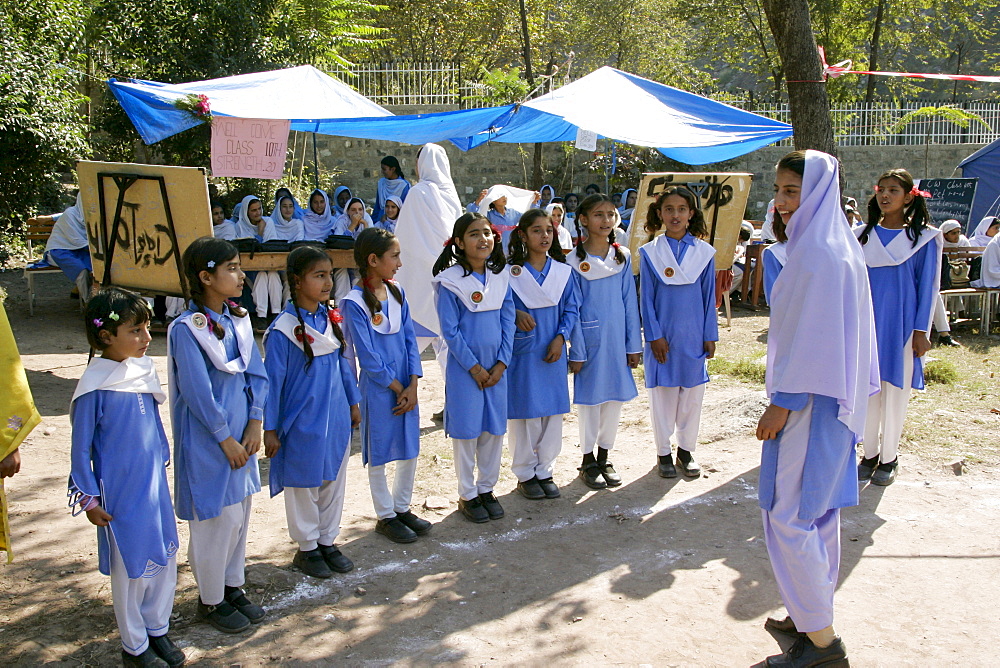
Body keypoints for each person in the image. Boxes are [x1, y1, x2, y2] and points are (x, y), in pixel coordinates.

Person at [756, 149, 878, 668]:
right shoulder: (834, 244)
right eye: (779, 190)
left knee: (789, 517)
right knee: (818, 513)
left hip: (808, 402)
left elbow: (815, 339)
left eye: (792, 191)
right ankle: (808, 611)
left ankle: (823, 643)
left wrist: (781, 405)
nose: (782, 202)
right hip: (831, 402)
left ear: (818, 193)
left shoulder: (819, 255)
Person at [69, 289, 185, 667]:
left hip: (152, 487)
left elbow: (153, 423)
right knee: (130, 570)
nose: (146, 338)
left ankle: (158, 629)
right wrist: (88, 498)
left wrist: (163, 459)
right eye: (135, 331)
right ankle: (134, 647)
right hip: (118, 494)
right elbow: (80, 447)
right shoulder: (94, 385)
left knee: (164, 558)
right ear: (106, 336)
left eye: (147, 328)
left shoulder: (143, 370)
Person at [167, 237, 268, 634]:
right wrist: (224, 437)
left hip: (243, 436)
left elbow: (255, 373)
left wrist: (256, 421)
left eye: (239, 267)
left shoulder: (237, 319)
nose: (241, 275)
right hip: (210, 441)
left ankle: (232, 585)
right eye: (230, 269)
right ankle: (210, 600)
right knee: (214, 520)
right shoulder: (185, 330)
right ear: (206, 277)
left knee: (239, 515)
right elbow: (196, 391)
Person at [263, 246, 360, 578]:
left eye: (329, 275)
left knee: (333, 477)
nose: (327, 282)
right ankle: (307, 547)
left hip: (334, 415)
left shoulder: (330, 318)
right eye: (318, 275)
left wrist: (353, 401)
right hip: (302, 418)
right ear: (296, 280)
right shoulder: (283, 330)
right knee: (304, 482)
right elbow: (273, 384)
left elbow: (344, 364)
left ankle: (327, 539)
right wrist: (270, 428)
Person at [343, 228, 431, 543]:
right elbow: (367, 357)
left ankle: (401, 506)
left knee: (409, 447)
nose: (399, 263)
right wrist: (398, 388)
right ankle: (385, 514)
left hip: (405, 385)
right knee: (378, 450)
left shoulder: (398, 294)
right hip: (380, 390)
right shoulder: (354, 303)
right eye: (394, 256)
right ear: (373, 260)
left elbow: (410, 341)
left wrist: (413, 384)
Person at [856, 168, 941, 486]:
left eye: (893, 190)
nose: (885, 195)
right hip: (867, 325)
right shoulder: (862, 236)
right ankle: (870, 453)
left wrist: (922, 331)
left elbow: (928, 287)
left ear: (908, 197)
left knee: (895, 393)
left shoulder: (924, 238)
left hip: (903, 327)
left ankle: (890, 457)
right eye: (881, 189)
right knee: (867, 391)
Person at [432, 212, 514, 523]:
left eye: (487, 233)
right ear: (458, 243)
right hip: (467, 371)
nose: (483, 239)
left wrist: (502, 362)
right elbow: (450, 331)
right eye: (474, 234)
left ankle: (486, 488)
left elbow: (508, 321)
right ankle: (467, 493)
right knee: (467, 431)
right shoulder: (450, 282)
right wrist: (475, 368)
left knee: (493, 430)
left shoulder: (501, 277)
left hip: (497, 368)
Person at [639, 186, 718, 478]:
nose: (675, 215)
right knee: (663, 396)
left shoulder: (704, 253)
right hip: (663, 336)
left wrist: (710, 333)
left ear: (691, 214)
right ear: (659, 213)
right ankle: (663, 453)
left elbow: (710, 296)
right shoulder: (650, 253)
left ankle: (686, 450)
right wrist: (654, 335)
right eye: (669, 209)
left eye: (681, 209)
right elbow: (646, 298)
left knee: (692, 396)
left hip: (694, 334)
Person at [567, 195, 642, 489]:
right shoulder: (573, 261)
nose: (606, 220)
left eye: (611, 214)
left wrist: (633, 345)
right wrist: (578, 348)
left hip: (616, 340)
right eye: (598, 214)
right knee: (590, 401)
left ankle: (604, 454)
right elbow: (572, 309)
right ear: (583, 219)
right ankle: (587, 459)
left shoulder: (621, 256)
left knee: (613, 400)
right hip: (589, 340)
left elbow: (629, 303)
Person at [505, 209, 580, 500]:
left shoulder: (563, 273)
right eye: (536, 230)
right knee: (524, 413)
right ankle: (525, 472)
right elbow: (498, 306)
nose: (544, 236)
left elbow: (572, 308)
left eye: (548, 230)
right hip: (522, 351)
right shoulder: (509, 274)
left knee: (551, 412)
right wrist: (515, 313)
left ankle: (545, 470)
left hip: (553, 348)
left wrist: (562, 338)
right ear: (522, 235)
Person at [394, 143, 466, 341]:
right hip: (448, 268)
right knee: (446, 338)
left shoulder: (418, 192)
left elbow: (403, 234)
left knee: (415, 337)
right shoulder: (452, 194)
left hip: (419, 271)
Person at [29, 192, 92, 298]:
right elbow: (78, 241)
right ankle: (89, 303)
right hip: (60, 250)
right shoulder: (70, 214)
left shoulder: (93, 215)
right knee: (82, 270)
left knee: (98, 268)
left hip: (80, 250)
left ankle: (91, 296)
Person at [372, 156, 411, 224]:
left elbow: (405, 209)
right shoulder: (381, 183)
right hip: (380, 220)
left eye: (384, 169)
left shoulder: (404, 186)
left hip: (397, 223)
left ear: (393, 169)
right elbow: (377, 206)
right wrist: (373, 222)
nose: (382, 172)